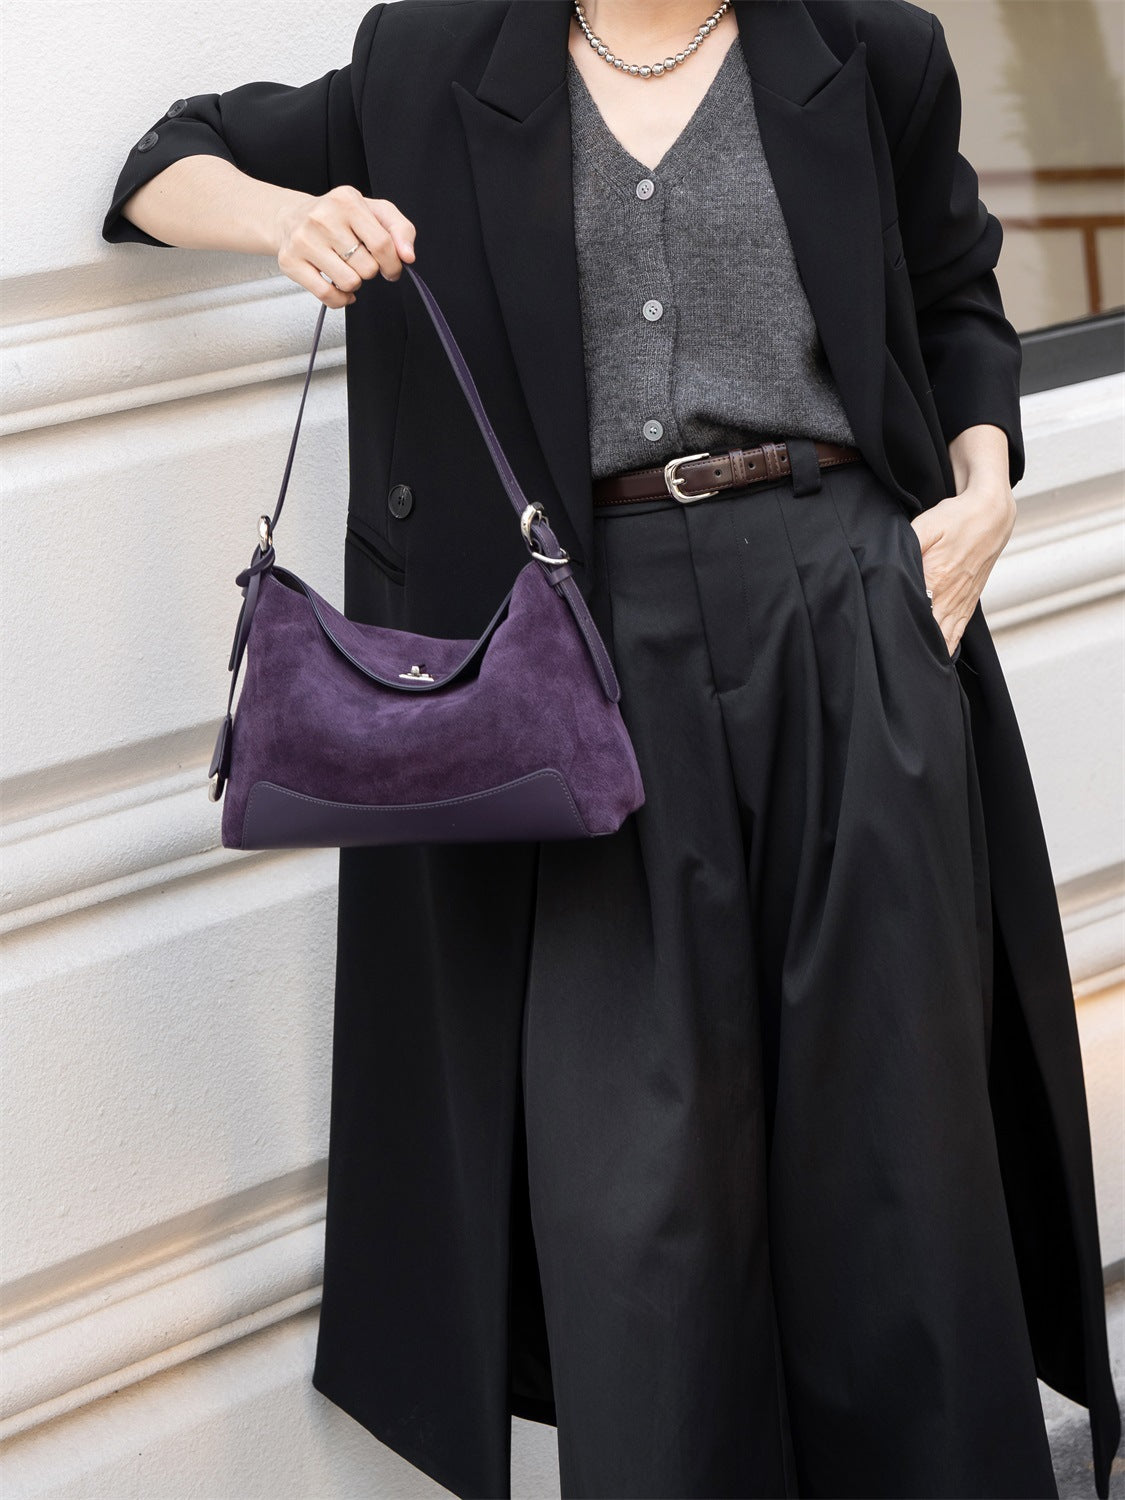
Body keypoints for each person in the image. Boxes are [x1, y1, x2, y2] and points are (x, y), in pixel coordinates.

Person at [102, 2, 1121, 1497]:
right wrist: (288, 222)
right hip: (583, 654)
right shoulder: (435, 63)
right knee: (634, 1192)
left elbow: (955, 300)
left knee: (895, 1151)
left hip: (844, 612)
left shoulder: (871, 49)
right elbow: (159, 165)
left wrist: (983, 492)